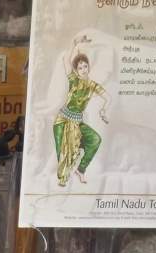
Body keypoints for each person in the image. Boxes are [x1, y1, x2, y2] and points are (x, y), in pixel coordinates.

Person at [53, 35, 110, 187]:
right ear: (76, 70)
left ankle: (81, 169)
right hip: (62, 121)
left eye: (85, 66)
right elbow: (66, 59)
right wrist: (74, 44)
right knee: (63, 153)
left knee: (95, 140)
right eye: (80, 67)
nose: (83, 70)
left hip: (77, 122)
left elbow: (108, 97)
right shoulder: (73, 79)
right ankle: (62, 179)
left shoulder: (92, 85)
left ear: (89, 67)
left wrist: (104, 110)